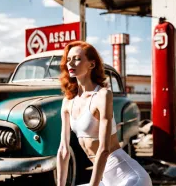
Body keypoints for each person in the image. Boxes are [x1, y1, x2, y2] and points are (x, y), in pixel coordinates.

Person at [57, 41, 152, 186]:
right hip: (105, 180)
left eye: (77, 59)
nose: (71, 63)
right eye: (68, 59)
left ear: (91, 64)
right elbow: (63, 150)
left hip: (130, 178)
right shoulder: (68, 102)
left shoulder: (102, 95)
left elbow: (104, 148)